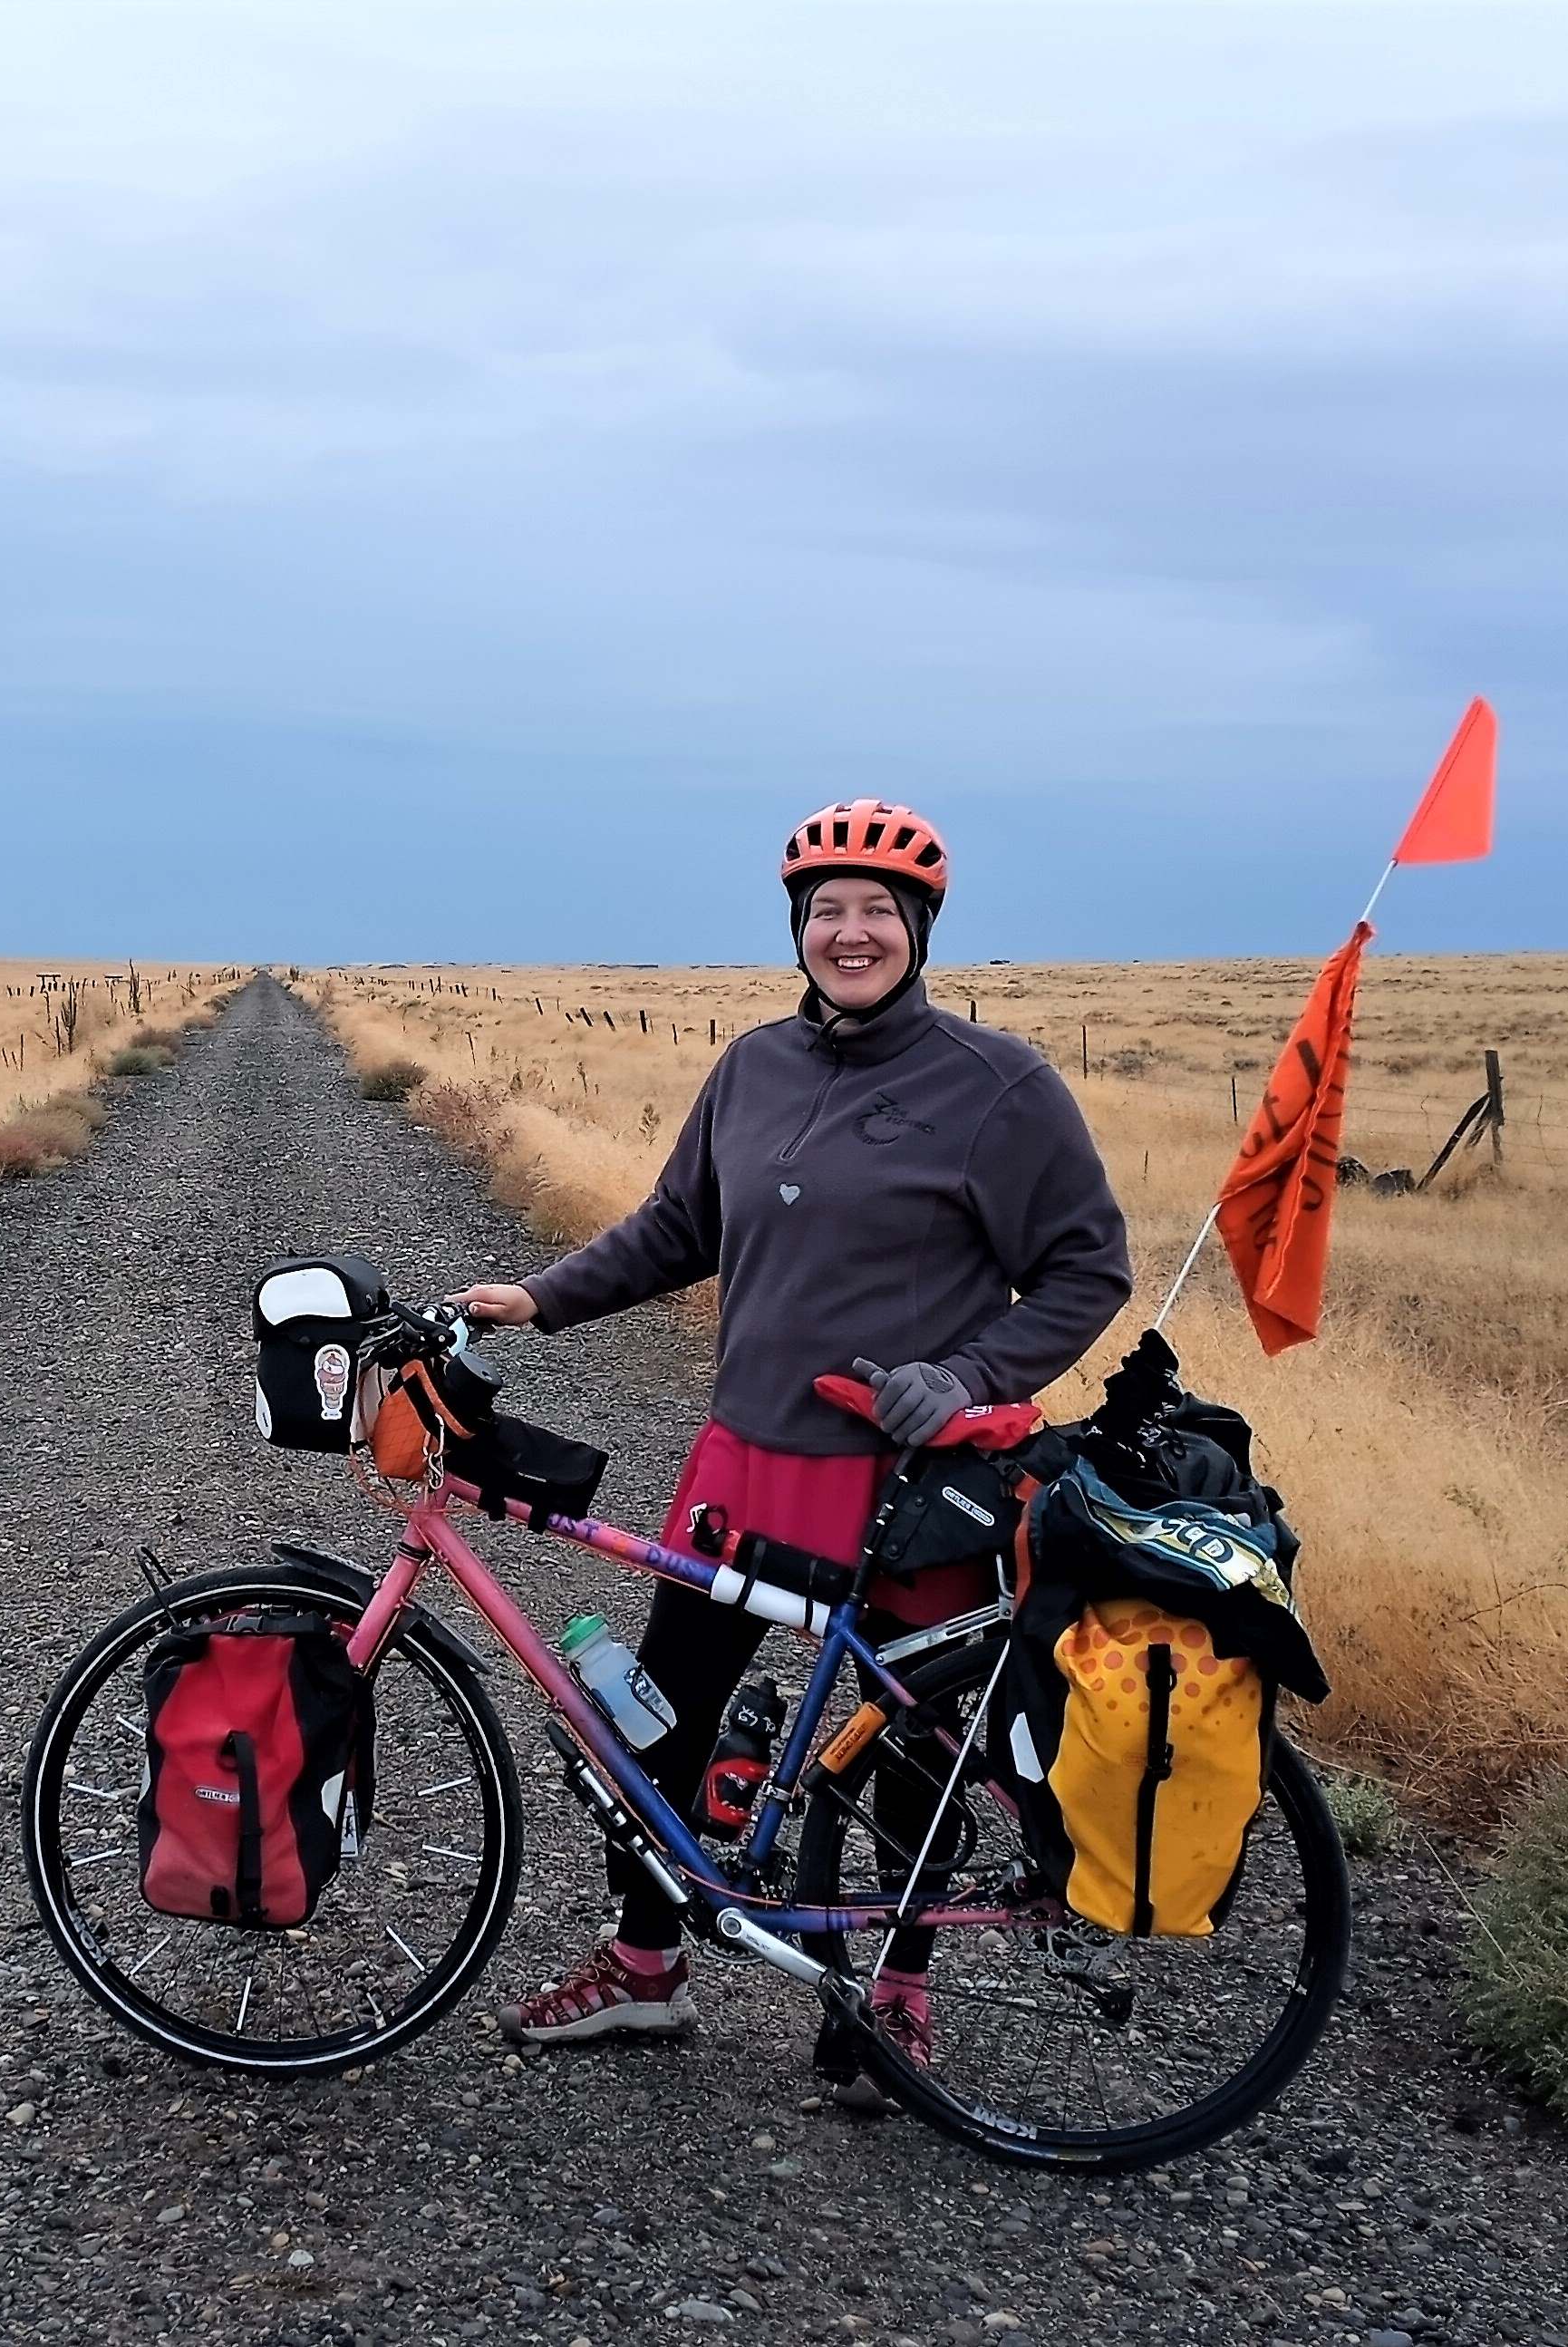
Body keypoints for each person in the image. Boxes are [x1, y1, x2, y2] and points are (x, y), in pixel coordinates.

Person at [448, 796, 1132, 2062]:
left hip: (912, 1480)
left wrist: (971, 1370)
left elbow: (1091, 1268)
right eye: (828, 911)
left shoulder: (998, 1088)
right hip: (749, 1457)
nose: (852, 931)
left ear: (921, 929)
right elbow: (676, 1229)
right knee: (656, 1716)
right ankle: (648, 1964)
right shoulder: (754, 1066)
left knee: (911, 1742)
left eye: (879, 910)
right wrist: (538, 1297)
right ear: (798, 929)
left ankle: (899, 1997)